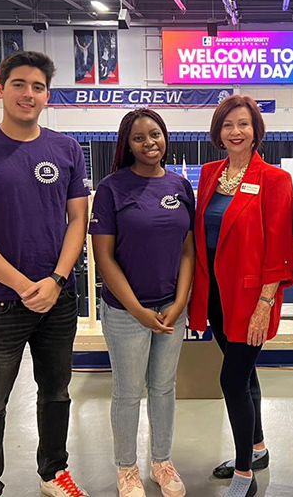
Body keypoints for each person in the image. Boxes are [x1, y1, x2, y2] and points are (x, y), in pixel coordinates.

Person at [0, 51, 90, 497]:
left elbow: (78, 222)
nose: (29, 94)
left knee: (57, 395)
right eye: (20, 84)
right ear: (1, 89)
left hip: (57, 299)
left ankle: (53, 473)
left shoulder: (67, 150)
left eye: (38, 87)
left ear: (48, 95)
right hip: (0, 302)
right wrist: (24, 285)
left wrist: (58, 280)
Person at [188, 95, 293, 497]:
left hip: (252, 298)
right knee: (245, 375)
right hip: (215, 295)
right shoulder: (210, 174)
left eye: (244, 124)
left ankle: (245, 474)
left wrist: (265, 305)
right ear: (219, 131)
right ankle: (259, 447)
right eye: (228, 124)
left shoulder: (274, 180)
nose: (236, 131)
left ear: (256, 131)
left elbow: (278, 246)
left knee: (231, 379)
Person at [90, 109, 195, 497]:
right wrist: (137, 310)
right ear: (127, 145)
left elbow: (188, 250)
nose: (149, 143)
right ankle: (127, 469)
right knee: (128, 392)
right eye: (139, 138)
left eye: (155, 134)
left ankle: (162, 462)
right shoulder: (112, 189)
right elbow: (105, 257)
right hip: (125, 313)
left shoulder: (180, 186)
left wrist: (180, 301)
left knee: (164, 389)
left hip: (170, 309)